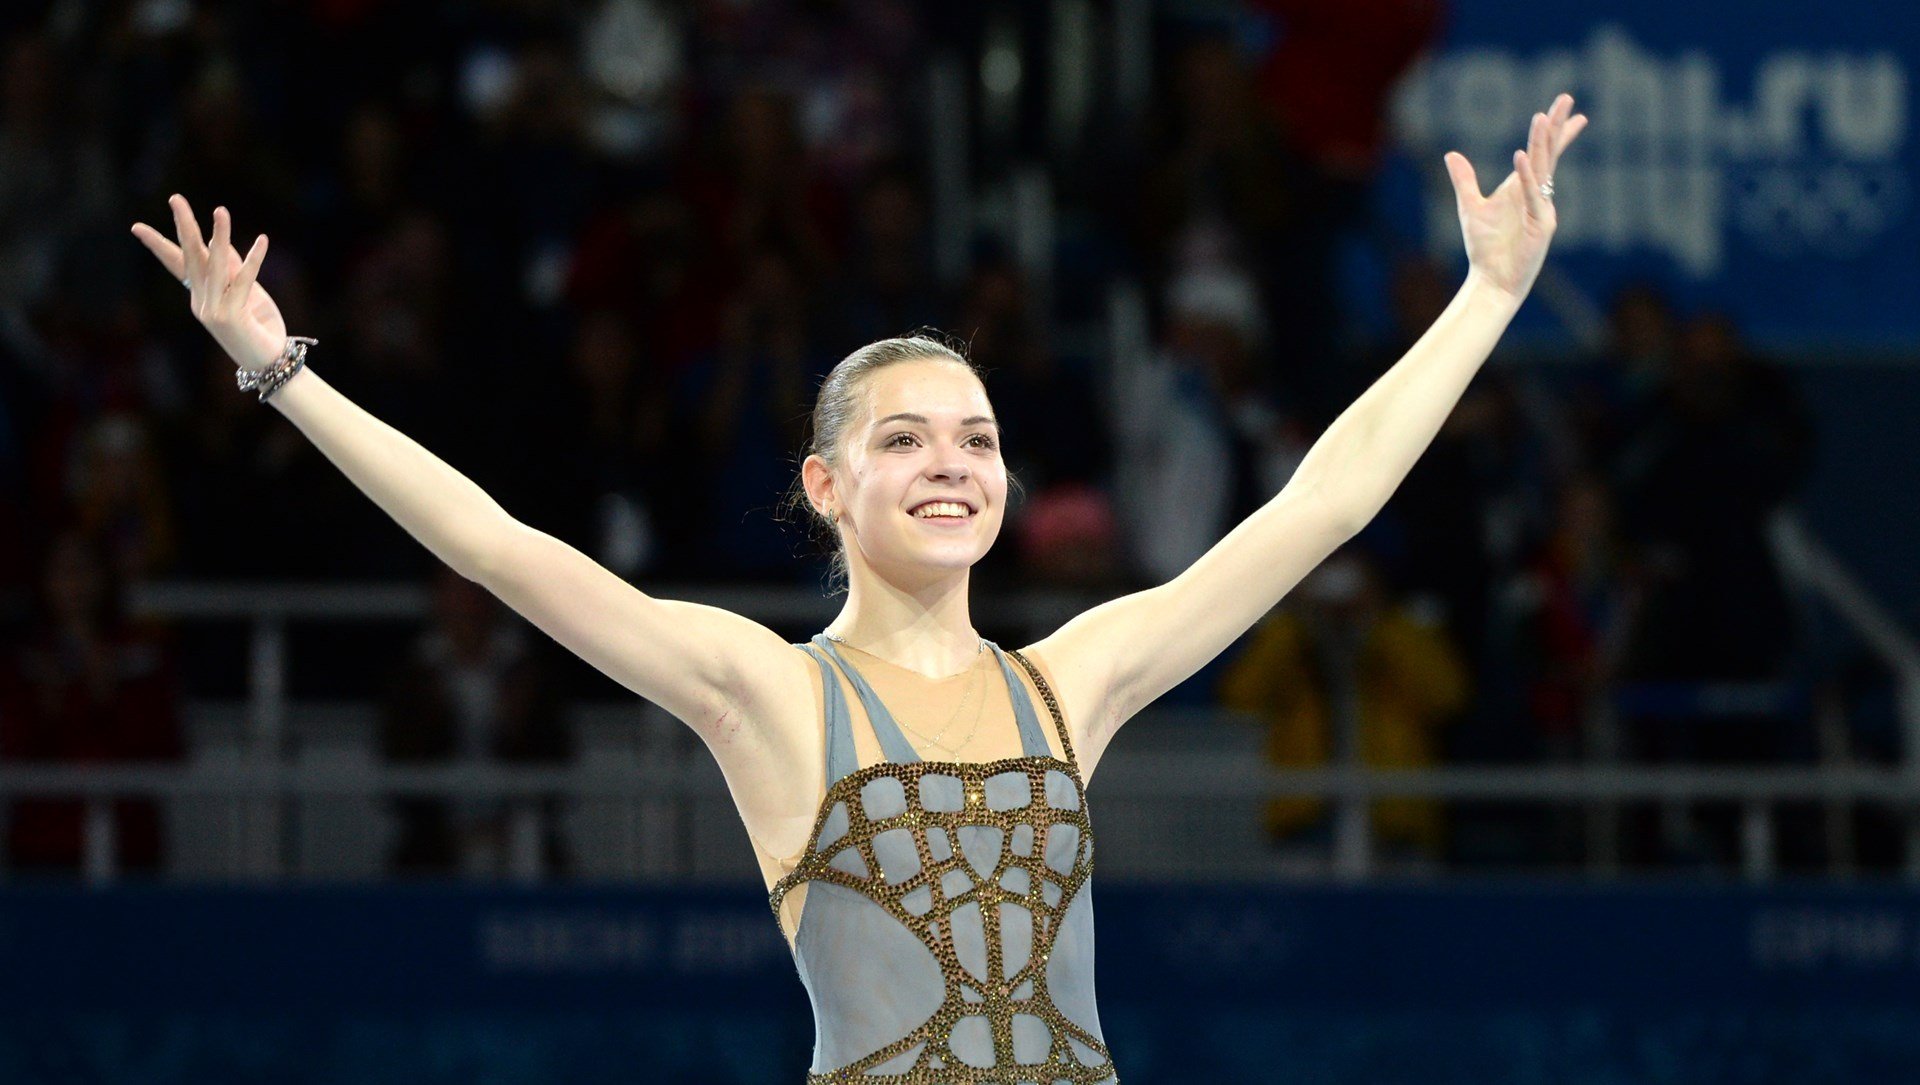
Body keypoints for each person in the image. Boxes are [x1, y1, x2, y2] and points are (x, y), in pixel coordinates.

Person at [130, 94, 1587, 1082]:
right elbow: (503, 548)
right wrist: (277, 369)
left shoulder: (1071, 680)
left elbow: (1323, 503)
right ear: (828, 485)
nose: (953, 465)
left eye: (980, 439)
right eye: (905, 439)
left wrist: (1486, 299)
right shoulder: (769, 690)